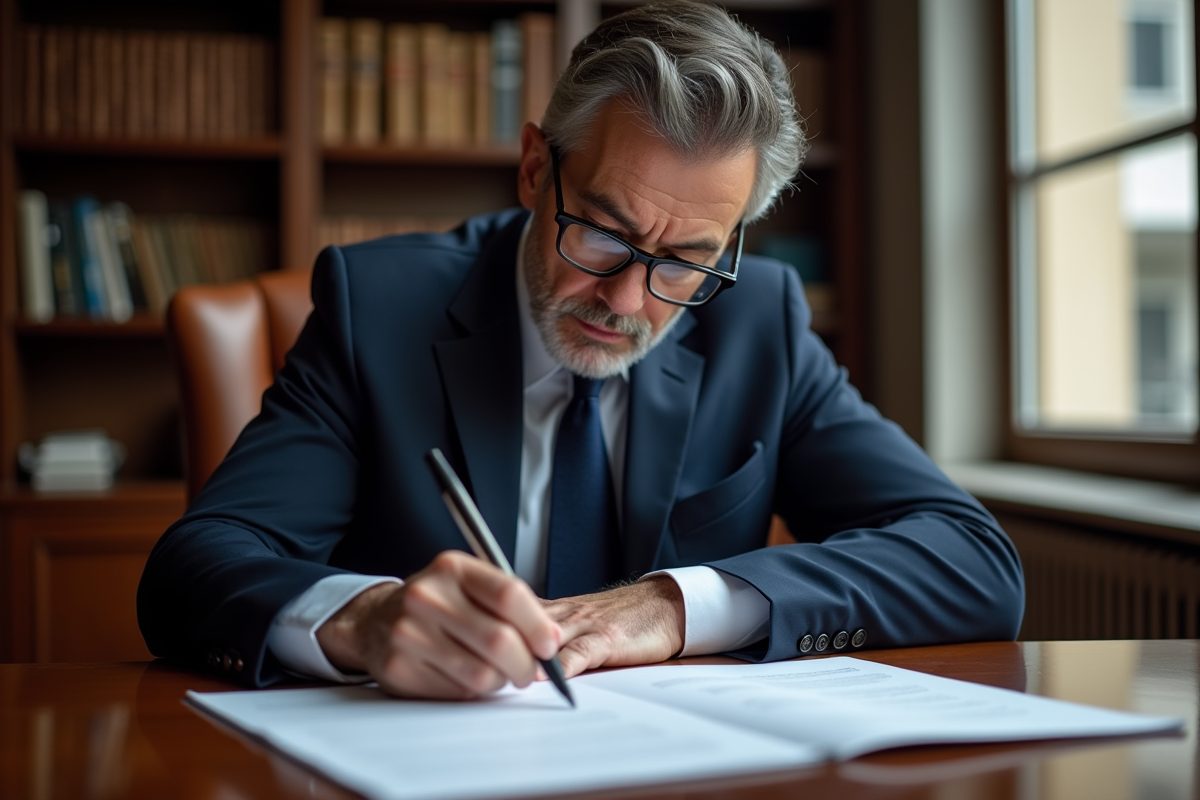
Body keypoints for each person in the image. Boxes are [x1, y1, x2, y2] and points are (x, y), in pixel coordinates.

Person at [138, 0, 1024, 699]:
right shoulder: (379, 309)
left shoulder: (760, 321)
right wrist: (364, 619)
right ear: (535, 169)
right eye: (602, 235)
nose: (629, 301)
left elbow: (971, 560)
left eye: (686, 261)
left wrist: (678, 605)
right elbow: (194, 569)